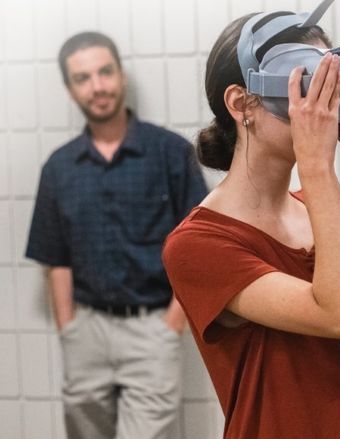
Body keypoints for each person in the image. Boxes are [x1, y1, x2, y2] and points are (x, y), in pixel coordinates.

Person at [161, 13, 340, 439]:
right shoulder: (197, 244)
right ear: (240, 104)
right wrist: (316, 163)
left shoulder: (316, 207)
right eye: (301, 84)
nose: (318, 105)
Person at [25, 32, 208, 439]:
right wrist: (69, 329)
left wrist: (171, 325)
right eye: (83, 78)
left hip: (152, 329)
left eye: (105, 72)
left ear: (121, 75)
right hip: (86, 332)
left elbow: (200, 248)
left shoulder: (172, 153)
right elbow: (55, 258)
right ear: (71, 90)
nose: (98, 86)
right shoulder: (59, 168)